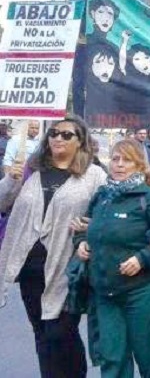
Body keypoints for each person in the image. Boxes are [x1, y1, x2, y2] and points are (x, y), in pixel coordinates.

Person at [0, 115, 107, 378]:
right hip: (31, 267)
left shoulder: (94, 175)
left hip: (67, 267)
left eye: (66, 134)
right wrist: (10, 181)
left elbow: (107, 214)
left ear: (81, 141)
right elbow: (3, 203)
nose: (58, 138)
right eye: (54, 134)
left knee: (60, 332)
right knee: (41, 332)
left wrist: (90, 226)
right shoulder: (31, 170)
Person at [74, 139, 150, 378]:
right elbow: (85, 225)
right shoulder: (102, 196)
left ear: (140, 165)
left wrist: (143, 259)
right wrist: (80, 242)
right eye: (115, 158)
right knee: (112, 360)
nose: (119, 165)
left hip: (143, 292)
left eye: (127, 160)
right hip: (105, 292)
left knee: (148, 357)